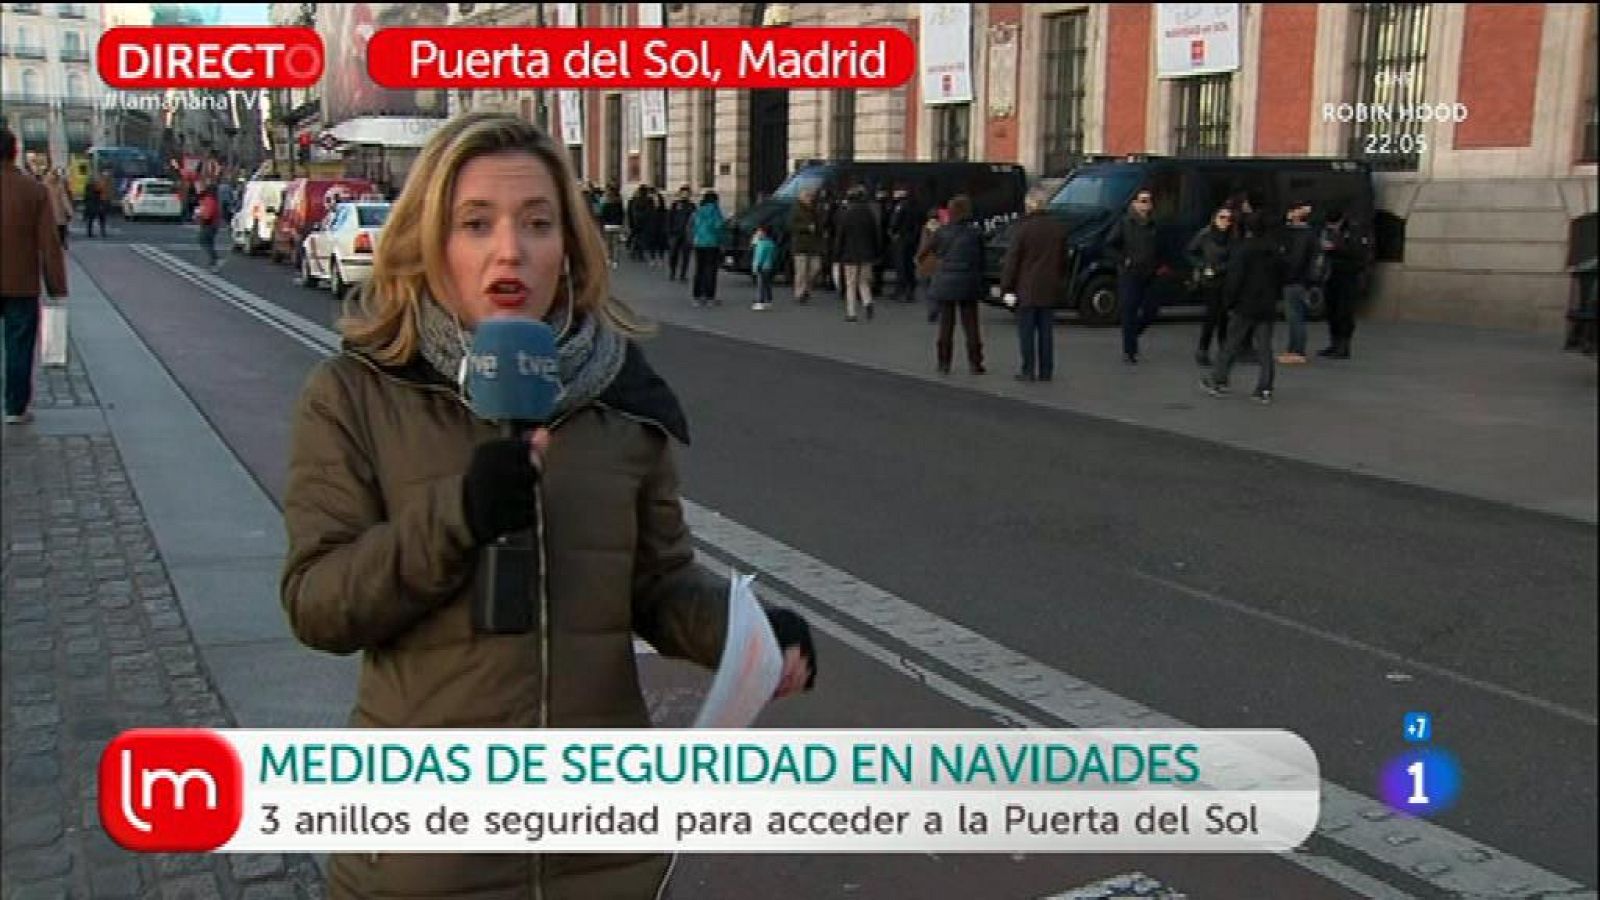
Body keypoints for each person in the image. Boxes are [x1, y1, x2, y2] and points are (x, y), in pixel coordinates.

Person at [280, 112, 817, 899]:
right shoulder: (355, 394)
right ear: (432, 242)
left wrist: (751, 635)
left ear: (567, 246)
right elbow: (317, 603)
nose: (510, 250)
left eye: (537, 223)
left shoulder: (620, 401)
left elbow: (658, 586)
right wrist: (456, 517)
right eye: (476, 224)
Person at [1, 127, 68, 425]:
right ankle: (15, 407)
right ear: (14, 152)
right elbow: (49, 243)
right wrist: (56, 285)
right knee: (19, 345)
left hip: (20, 282)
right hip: (21, 282)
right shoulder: (33, 190)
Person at [1202, 211, 1282, 404]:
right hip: (1267, 304)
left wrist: (1229, 301)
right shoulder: (1273, 249)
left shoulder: (1242, 249)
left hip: (1245, 304)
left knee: (1231, 343)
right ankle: (1264, 388)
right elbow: (1281, 275)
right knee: (1265, 348)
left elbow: (1235, 279)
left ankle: (1218, 380)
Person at [1000, 188, 1069, 382]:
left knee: (1027, 333)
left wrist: (1006, 287)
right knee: (1046, 333)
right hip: (1049, 287)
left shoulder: (1022, 229)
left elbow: (1012, 261)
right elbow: (1064, 260)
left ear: (1030, 205)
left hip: (1026, 288)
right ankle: (1046, 370)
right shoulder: (1058, 228)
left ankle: (1028, 369)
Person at [922, 194, 987, 375]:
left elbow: (925, 252)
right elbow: (982, 259)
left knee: (946, 325)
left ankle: (944, 362)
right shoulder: (975, 233)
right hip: (968, 282)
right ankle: (975, 363)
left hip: (945, 281)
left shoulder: (941, 232)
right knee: (971, 325)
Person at [1104, 188, 1159, 364]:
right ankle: (1129, 351)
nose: (1146, 204)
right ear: (1134, 203)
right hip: (1130, 273)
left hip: (1150, 272)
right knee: (1129, 309)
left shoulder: (1154, 224)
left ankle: (1133, 332)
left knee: (1151, 309)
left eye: (1148, 200)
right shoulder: (1125, 222)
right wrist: (1124, 260)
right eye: (1142, 200)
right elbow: (1109, 245)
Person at [1186, 206, 1238, 367]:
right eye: (1222, 218)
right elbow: (1190, 252)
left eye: (1229, 219)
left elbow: (1235, 259)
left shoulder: (1233, 238)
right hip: (1210, 281)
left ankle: (1223, 351)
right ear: (1215, 218)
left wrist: (1220, 269)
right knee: (1212, 316)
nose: (1225, 222)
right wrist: (1203, 266)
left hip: (1226, 279)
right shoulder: (1205, 235)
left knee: (1224, 317)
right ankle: (1203, 350)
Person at [1318, 208, 1367, 359]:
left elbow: (1358, 253)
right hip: (1332, 275)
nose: (1331, 227)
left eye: (1333, 224)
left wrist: (1336, 248)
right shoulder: (1329, 231)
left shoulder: (1353, 231)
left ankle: (1343, 347)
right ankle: (1334, 344)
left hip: (1348, 277)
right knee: (1332, 311)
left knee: (1344, 312)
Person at [832, 185, 881, 322]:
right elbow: (875, 234)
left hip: (849, 253)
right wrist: (877, 252)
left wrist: (837, 253)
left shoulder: (846, 213)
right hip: (866, 253)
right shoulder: (869, 213)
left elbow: (840, 235)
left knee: (850, 283)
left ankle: (851, 312)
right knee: (864, 281)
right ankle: (867, 301)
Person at [1277, 199, 1316, 365]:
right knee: (1295, 315)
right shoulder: (1306, 232)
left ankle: (1297, 351)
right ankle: (1293, 349)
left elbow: (1296, 259)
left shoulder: (1300, 233)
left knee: (1295, 316)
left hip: (1295, 279)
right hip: (1300, 279)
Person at [690, 190, 725, 306]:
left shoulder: (698, 211)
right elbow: (719, 226)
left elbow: (692, 226)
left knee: (699, 270)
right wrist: (722, 241)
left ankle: (697, 296)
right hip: (712, 244)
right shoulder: (715, 211)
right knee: (710, 270)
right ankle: (710, 297)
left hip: (698, 243)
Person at [787, 189, 823, 303]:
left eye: (811, 196)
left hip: (813, 244)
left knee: (816, 268)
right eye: (807, 196)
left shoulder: (814, 209)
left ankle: (807, 288)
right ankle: (800, 293)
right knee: (801, 271)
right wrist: (806, 227)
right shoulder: (795, 209)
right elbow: (791, 225)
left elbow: (819, 223)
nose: (810, 198)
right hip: (800, 245)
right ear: (801, 197)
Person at [665, 185, 695, 282]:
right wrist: (669, 231)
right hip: (675, 233)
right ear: (680, 194)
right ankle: (672, 272)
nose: (685, 195)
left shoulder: (692, 206)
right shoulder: (675, 205)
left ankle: (683, 274)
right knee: (673, 254)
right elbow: (669, 218)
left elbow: (694, 220)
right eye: (683, 193)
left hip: (687, 234)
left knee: (686, 255)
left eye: (687, 193)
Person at [194, 181, 224, 272]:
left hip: (208, 225)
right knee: (209, 243)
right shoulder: (212, 200)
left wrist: (200, 215)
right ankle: (213, 262)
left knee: (203, 241)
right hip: (211, 224)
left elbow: (208, 214)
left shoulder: (209, 200)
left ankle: (214, 261)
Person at [44, 166, 73, 247]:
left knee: (51, 229)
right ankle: (62, 242)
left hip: (48, 212)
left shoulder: (44, 185)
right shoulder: (59, 185)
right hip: (59, 212)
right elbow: (65, 200)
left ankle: (52, 243)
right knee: (61, 227)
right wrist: (70, 211)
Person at [751, 224, 777, 311]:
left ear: (764, 233)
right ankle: (769, 300)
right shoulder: (771, 243)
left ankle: (759, 302)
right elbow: (774, 255)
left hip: (761, 267)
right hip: (768, 266)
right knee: (767, 285)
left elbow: (759, 256)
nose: (757, 233)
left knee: (760, 285)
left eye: (759, 231)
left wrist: (757, 266)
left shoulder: (761, 244)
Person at [84, 168, 111, 237]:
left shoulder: (102, 181)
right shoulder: (99, 183)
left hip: (97, 202)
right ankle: (99, 232)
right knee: (98, 217)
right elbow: (98, 191)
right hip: (97, 202)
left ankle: (96, 232)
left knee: (97, 218)